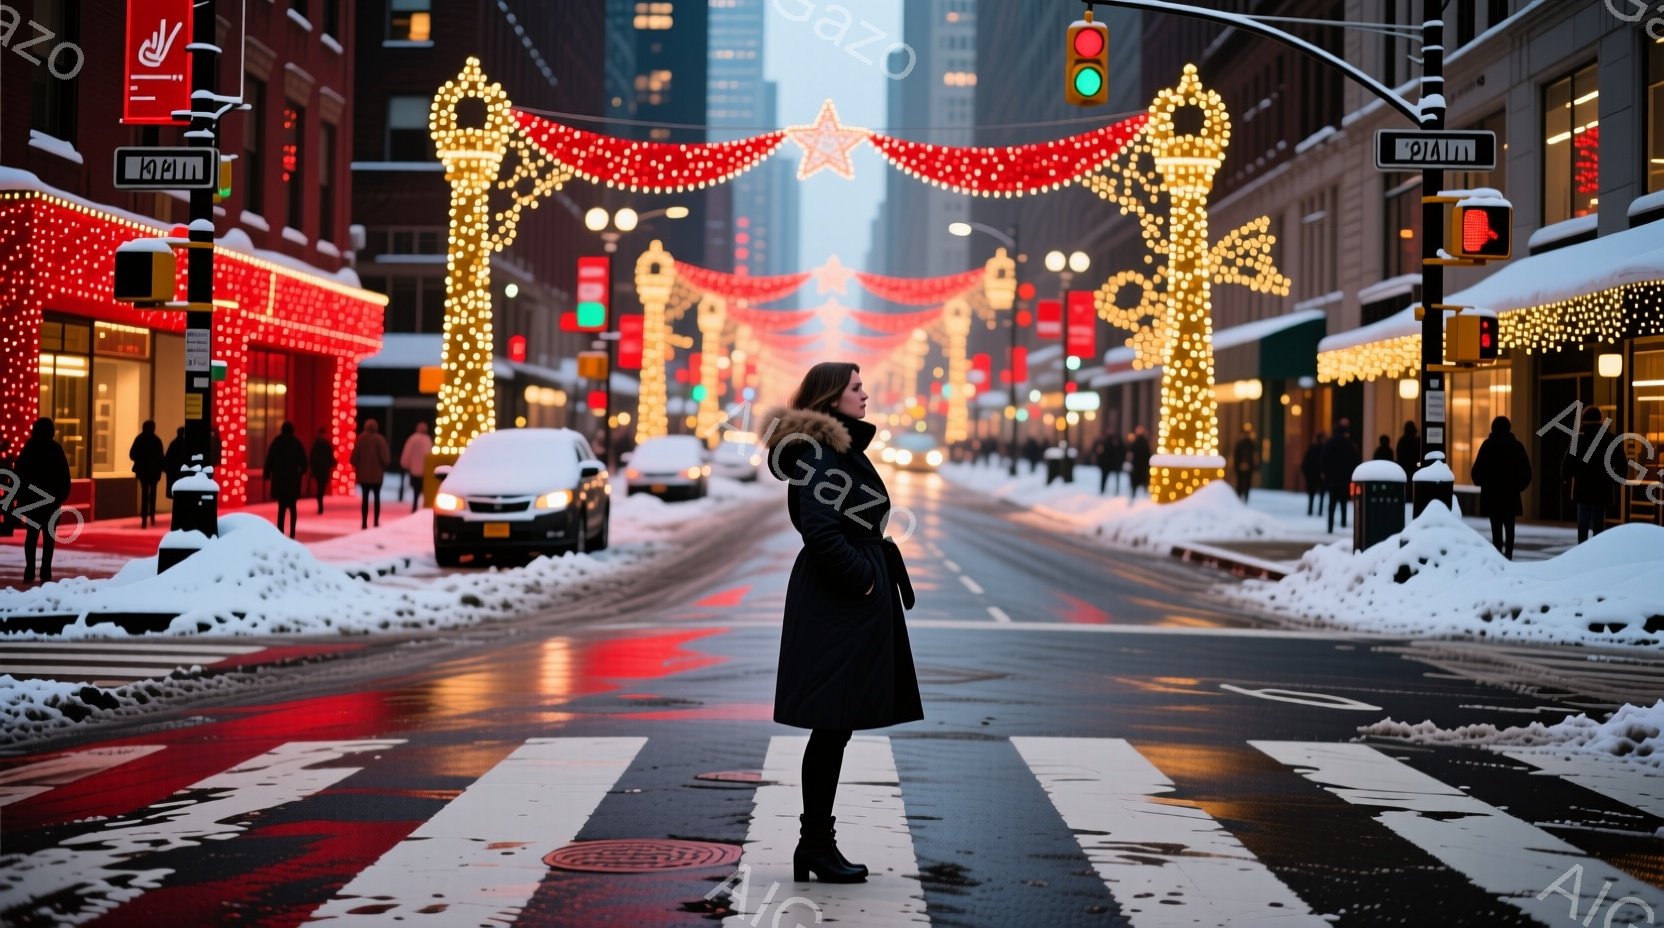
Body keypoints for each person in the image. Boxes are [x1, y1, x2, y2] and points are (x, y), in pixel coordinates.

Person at [761, 362, 923, 884]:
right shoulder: (817, 452)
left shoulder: (835, 449)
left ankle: (815, 844)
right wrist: (865, 581)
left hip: (844, 601)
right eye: (856, 387)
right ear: (832, 396)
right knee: (831, 726)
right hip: (838, 603)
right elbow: (821, 530)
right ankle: (815, 845)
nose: (865, 394)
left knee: (836, 727)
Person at [14, 417, 70, 584]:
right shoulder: (55, 449)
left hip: (32, 501)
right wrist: (60, 497)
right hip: (51, 501)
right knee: (48, 538)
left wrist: (21, 498)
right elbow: (64, 476)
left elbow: (19, 475)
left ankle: (29, 569)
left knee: (31, 536)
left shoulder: (29, 448)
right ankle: (46, 570)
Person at [1471, 415, 1532, 560]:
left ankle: (1498, 557)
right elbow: (1527, 472)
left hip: (1492, 496)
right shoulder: (1517, 446)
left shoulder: (1487, 446)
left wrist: (1484, 483)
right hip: (1511, 495)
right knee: (1510, 528)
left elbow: (1476, 472)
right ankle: (1508, 555)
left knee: (1496, 529)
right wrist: (1518, 487)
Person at [1561, 406, 1613, 543]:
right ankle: (1597, 554)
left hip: (1582, 489)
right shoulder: (1609, 440)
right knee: (1598, 526)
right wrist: (1613, 482)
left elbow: (1566, 466)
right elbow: (1621, 466)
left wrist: (1568, 477)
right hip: (1602, 489)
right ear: (1600, 420)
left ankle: (1582, 554)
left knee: (1583, 527)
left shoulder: (1577, 440)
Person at [263, 422, 308, 539]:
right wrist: (300, 471)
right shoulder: (296, 443)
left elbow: (270, 459)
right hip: (293, 481)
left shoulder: (276, 442)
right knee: (293, 507)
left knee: (281, 508)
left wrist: (267, 474)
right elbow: (304, 463)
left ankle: (280, 532)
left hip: (280, 481)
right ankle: (292, 532)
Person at [1321, 419, 1361, 533]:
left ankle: (1330, 526)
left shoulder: (1330, 442)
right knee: (1343, 502)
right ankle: (1343, 523)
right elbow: (1355, 459)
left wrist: (1325, 473)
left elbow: (1324, 458)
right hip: (1344, 477)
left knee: (1332, 504)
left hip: (1332, 478)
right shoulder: (1349, 444)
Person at [351, 418, 391, 529]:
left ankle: (364, 522)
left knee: (365, 499)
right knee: (377, 498)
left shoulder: (360, 439)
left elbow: (353, 459)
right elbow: (386, 459)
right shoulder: (380, 440)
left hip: (363, 476)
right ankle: (376, 521)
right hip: (377, 476)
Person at [128, 419, 166, 529]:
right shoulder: (156, 440)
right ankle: (152, 515)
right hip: (154, 471)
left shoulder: (139, 439)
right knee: (152, 494)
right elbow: (161, 457)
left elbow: (132, 454)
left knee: (144, 493)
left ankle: (144, 518)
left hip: (142, 471)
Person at [400, 421, 434, 512]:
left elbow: (407, 453)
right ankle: (422, 508)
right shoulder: (428, 440)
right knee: (422, 490)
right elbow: (430, 455)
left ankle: (414, 507)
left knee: (415, 490)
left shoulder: (412, 439)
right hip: (424, 470)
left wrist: (405, 464)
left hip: (414, 470)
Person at [309, 428, 336, 514]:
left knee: (320, 487)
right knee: (321, 487)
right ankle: (320, 504)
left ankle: (320, 504)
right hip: (323, 469)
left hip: (319, 469)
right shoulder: (326, 445)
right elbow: (330, 457)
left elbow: (312, 458)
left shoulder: (316, 445)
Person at [1301, 432, 1327, 516]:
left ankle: (1311, 510)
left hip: (1314, 476)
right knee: (1319, 494)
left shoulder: (1312, 449)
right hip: (1318, 476)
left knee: (1312, 495)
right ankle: (1317, 511)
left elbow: (1305, 464)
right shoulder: (1323, 450)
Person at [1232, 423, 1259, 502]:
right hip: (1245, 466)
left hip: (1245, 466)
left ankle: (1242, 497)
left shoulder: (1247, 444)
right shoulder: (1247, 444)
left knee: (1243, 483)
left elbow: (1254, 456)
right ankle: (1243, 497)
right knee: (1244, 483)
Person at [1094, 430, 1126, 495]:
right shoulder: (1106, 442)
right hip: (1109, 463)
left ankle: (1104, 490)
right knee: (1106, 477)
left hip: (1109, 463)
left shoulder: (1106, 442)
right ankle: (1104, 490)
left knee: (1106, 477)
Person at [163, 427, 188, 500]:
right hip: (183, 471)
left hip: (173, 471)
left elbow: (168, 457)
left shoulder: (173, 443)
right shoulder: (186, 443)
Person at [1127, 426, 1152, 499]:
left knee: (1136, 482)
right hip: (1142, 466)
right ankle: (1144, 495)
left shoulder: (1135, 442)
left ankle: (1134, 495)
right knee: (1143, 481)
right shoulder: (1144, 442)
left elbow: (1130, 454)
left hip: (1137, 466)